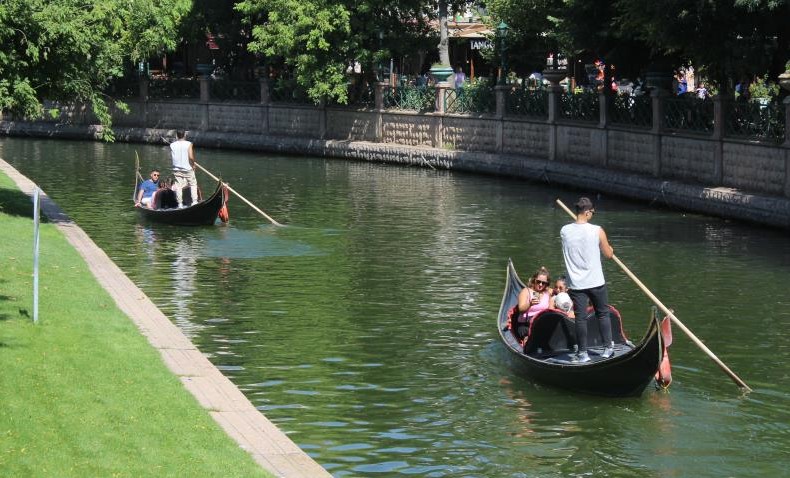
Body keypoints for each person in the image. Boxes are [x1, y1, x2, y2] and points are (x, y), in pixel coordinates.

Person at [561, 197, 615, 363]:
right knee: (603, 314)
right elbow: (609, 254)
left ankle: (582, 353)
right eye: (592, 212)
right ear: (587, 212)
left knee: (581, 318)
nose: (592, 215)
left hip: (577, 284)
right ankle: (608, 348)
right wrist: (608, 247)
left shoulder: (564, 231)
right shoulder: (597, 230)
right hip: (596, 281)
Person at [514, 266, 553, 339]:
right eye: (538, 282)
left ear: (546, 284)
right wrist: (530, 304)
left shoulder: (548, 293)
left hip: (541, 324)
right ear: (534, 280)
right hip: (526, 325)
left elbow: (558, 290)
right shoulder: (526, 291)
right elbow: (521, 309)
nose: (540, 285)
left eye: (543, 283)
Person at [170, 130, 198, 208]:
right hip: (187, 168)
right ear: (185, 135)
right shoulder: (189, 144)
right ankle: (194, 201)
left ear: (176, 135)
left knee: (178, 186)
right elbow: (191, 157)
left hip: (176, 169)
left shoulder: (172, 145)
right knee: (193, 184)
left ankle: (180, 204)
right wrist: (193, 164)